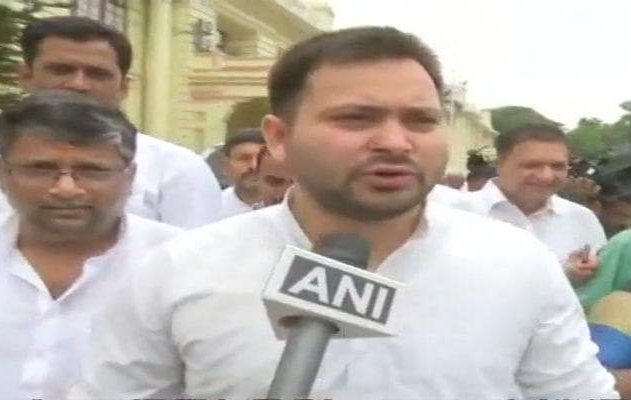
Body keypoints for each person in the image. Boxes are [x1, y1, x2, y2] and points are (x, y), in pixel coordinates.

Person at [69, 27, 616, 399]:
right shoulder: (179, 271)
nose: (395, 142)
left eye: (420, 121)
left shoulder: (518, 265)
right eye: (356, 118)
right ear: (279, 138)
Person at [0, 90, 182, 400]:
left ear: (129, 177)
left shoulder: (183, 262)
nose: (66, 188)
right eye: (41, 168)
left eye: (92, 170)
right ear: (0, 173)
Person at [0, 16, 221, 229]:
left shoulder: (176, 168)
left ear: (123, 86)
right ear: (26, 76)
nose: (78, 84)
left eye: (97, 74)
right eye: (61, 70)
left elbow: (198, 256)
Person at [456, 124, 606, 286]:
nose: (546, 176)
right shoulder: (457, 213)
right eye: (532, 165)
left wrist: (576, 276)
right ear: (499, 164)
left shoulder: (582, 219)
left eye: (557, 166)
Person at [220, 128, 265, 217]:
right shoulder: (211, 209)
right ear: (226, 166)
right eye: (244, 158)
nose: (254, 165)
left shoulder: (291, 207)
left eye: (261, 158)